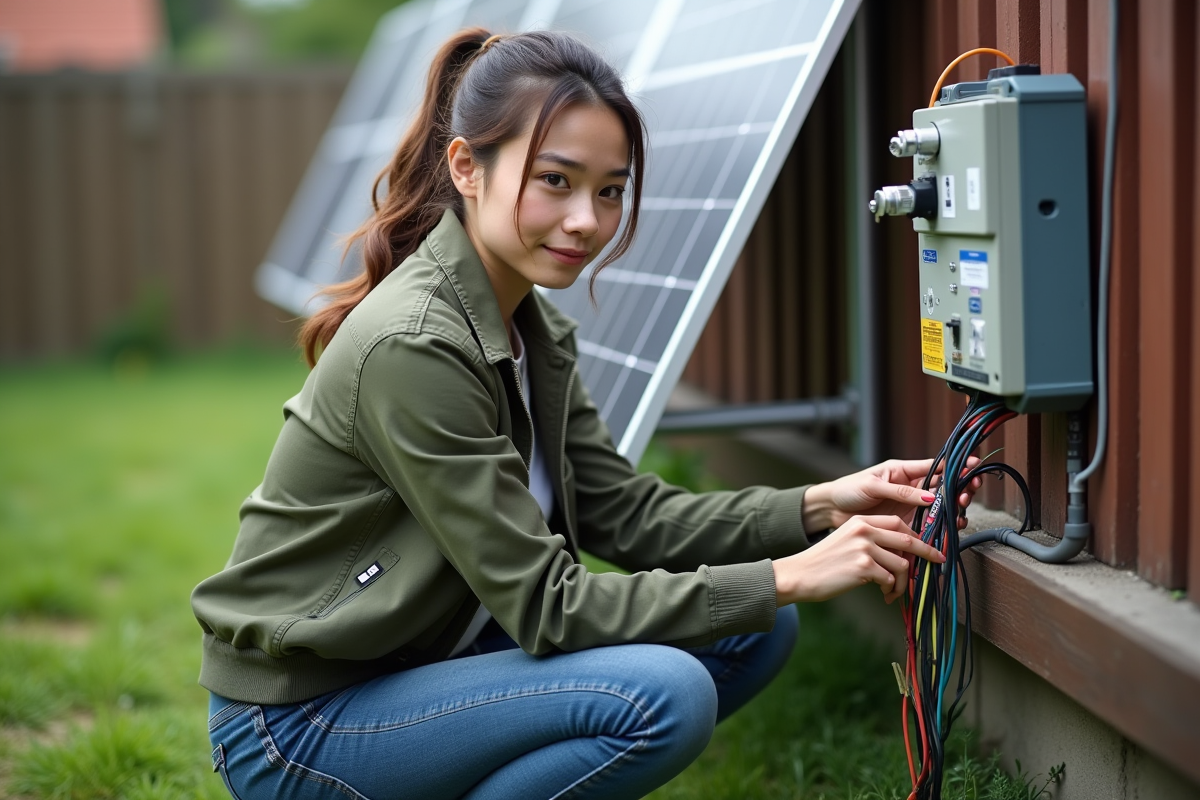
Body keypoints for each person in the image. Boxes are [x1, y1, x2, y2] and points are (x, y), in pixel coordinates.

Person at [192, 28, 975, 800]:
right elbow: (548, 606)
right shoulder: (415, 347)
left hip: (416, 658)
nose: (587, 222)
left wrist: (817, 505)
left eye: (609, 190)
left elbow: (625, 515)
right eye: (556, 181)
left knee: (752, 626)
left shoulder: (529, 327)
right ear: (467, 167)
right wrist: (791, 574)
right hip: (299, 720)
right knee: (663, 693)